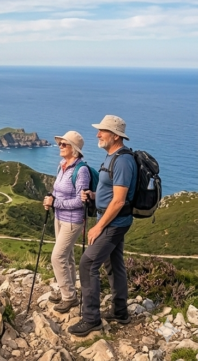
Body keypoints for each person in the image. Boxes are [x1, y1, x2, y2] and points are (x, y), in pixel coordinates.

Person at [68, 115, 137, 337]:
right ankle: (120, 312)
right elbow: (110, 194)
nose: (98, 134)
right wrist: (94, 195)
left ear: (115, 135)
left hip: (114, 223)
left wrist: (98, 227)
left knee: (88, 264)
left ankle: (91, 319)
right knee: (114, 265)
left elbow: (118, 200)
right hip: (110, 219)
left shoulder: (124, 161)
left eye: (102, 131)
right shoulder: (111, 157)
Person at [43, 131, 89, 314]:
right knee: (67, 257)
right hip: (59, 217)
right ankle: (67, 291)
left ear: (75, 149)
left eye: (65, 144)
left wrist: (56, 203)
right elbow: (58, 192)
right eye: (60, 143)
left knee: (57, 257)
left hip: (73, 221)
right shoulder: (62, 165)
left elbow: (80, 200)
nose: (60, 146)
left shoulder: (81, 170)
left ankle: (69, 297)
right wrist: (50, 198)